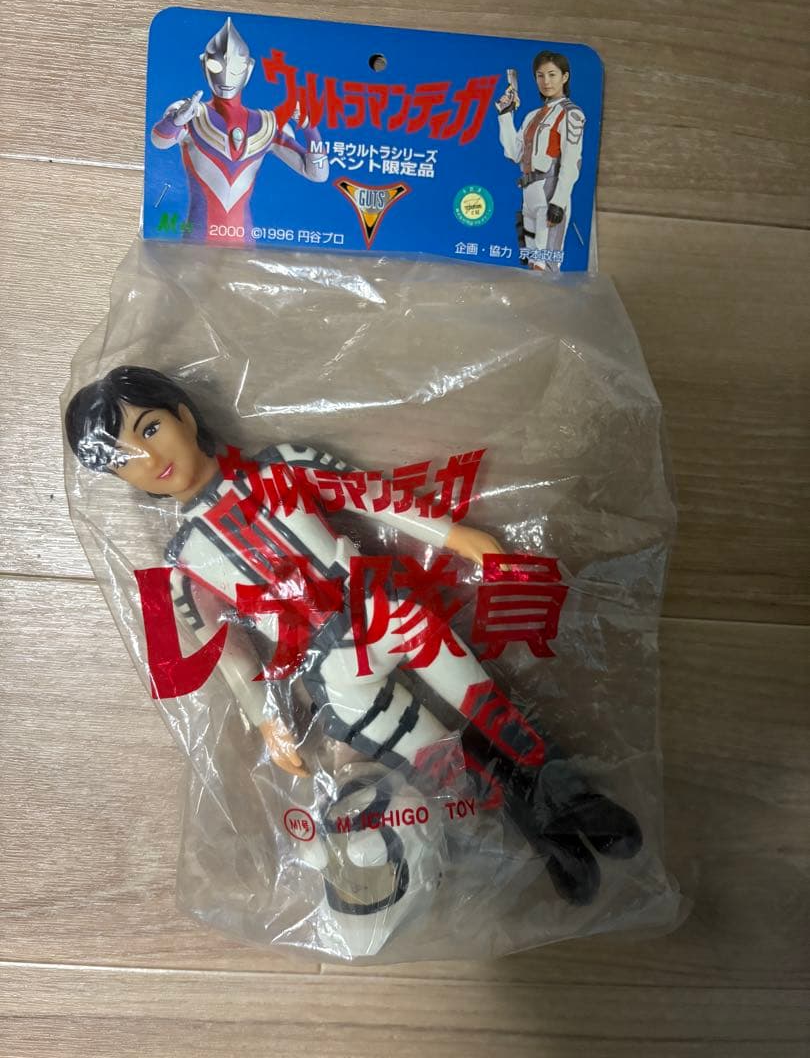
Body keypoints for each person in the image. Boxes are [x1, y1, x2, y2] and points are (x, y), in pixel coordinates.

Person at [65, 366, 641, 910]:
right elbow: (227, 653)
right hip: (326, 668)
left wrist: (453, 535)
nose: (149, 457)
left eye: (151, 429)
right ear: (119, 477)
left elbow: (369, 495)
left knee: (487, 705)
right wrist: (266, 719)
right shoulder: (182, 566)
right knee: (442, 763)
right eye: (123, 458)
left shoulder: (282, 466)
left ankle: (577, 797)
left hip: (377, 606)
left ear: (186, 417)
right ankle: (541, 833)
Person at [151, 17, 328, 246]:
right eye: (216, 66)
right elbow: (160, 141)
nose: (226, 76)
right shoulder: (190, 113)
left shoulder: (268, 124)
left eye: (237, 68)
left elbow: (317, 174)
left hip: (242, 241)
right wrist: (177, 121)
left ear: (249, 68)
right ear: (204, 64)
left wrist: (310, 128)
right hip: (198, 240)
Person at [496, 51, 585, 272]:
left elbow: (572, 160)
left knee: (545, 264)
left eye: (552, 74)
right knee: (530, 261)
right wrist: (505, 115)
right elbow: (513, 153)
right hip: (528, 194)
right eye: (540, 75)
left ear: (565, 77)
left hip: (549, 191)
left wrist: (559, 202)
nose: (546, 81)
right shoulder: (531, 115)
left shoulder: (571, 114)